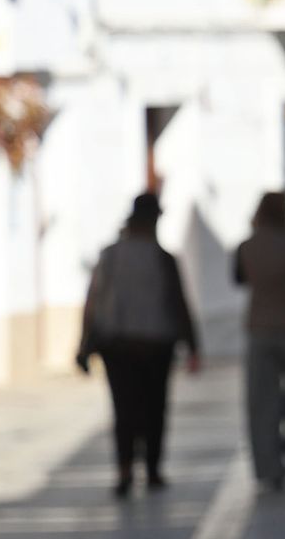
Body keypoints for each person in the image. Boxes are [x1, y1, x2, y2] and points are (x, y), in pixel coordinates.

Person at [77, 192, 201, 498]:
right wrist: (193, 344)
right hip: (154, 344)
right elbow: (178, 303)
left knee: (124, 408)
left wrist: (83, 345)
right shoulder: (161, 257)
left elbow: (93, 302)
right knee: (154, 406)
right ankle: (152, 468)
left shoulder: (111, 255)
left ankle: (125, 468)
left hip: (119, 344)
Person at [234, 191, 285, 490]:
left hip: (260, 329)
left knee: (261, 400)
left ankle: (269, 466)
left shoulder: (247, 246)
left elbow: (240, 279)